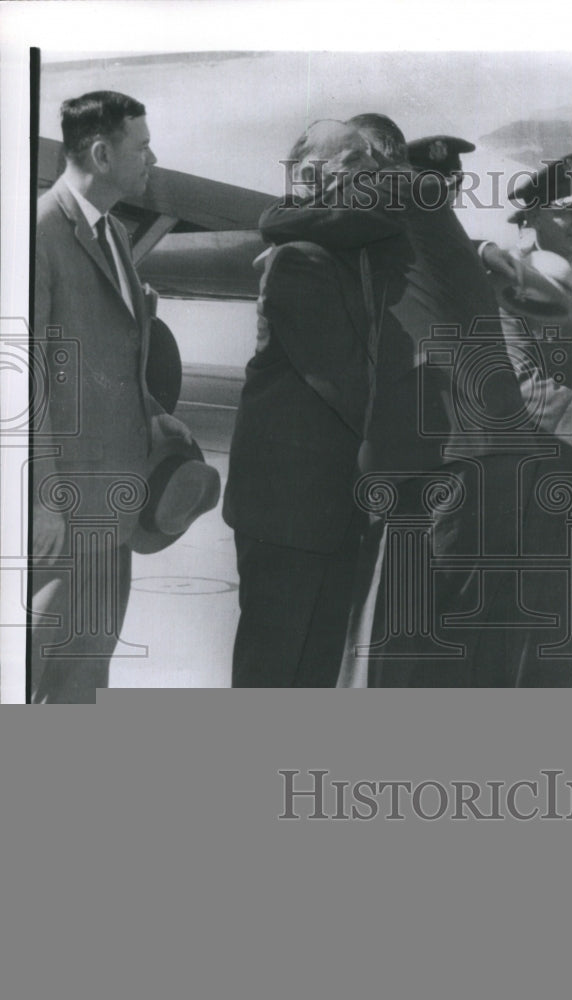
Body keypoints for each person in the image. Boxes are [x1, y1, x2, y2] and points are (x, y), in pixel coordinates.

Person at [261, 113, 545, 687]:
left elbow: (277, 218)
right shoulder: (418, 221)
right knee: (457, 640)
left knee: (411, 635)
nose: (342, 179)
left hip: (456, 448)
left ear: (379, 157)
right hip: (476, 448)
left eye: (346, 165)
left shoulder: (398, 185)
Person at [31, 90, 193, 703]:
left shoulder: (117, 237)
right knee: (31, 675)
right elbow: (25, 380)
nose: (152, 158)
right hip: (65, 507)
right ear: (101, 152)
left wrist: (154, 416)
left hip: (114, 505)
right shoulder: (41, 232)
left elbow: (119, 358)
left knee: (86, 676)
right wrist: (44, 501)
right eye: (142, 146)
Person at [222, 120, 395, 687]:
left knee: (315, 671)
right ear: (318, 176)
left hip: (328, 511)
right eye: (360, 171)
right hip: (288, 514)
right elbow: (341, 383)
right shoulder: (300, 258)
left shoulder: (336, 253)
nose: (373, 184)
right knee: (272, 671)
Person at [494, 152, 572, 686]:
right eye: (566, 210)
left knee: (563, 614)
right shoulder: (507, 280)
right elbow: (516, 381)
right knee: (520, 617)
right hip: (529, 476)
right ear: (533, 218)